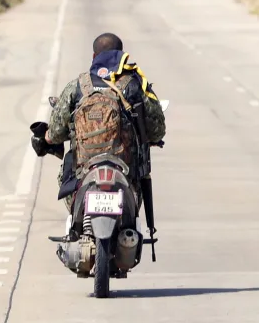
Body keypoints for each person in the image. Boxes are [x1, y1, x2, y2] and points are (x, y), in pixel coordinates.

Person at [31, 33, 166, 231]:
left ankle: (75, 224)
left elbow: (56, 133)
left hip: (84, 168)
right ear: (122, 56)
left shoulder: (77, 86)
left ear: (94, 57)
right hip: (125, 169)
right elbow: (157, 131)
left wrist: (46, 137)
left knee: (65, 175)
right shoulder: (134, 85)